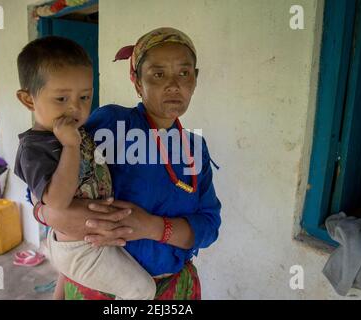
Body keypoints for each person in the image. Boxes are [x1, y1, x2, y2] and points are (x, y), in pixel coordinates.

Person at [37, 27, 222, 300]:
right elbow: (50, 183)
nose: (174, 85)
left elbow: (208, 227)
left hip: (172, 290)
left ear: (195, 79)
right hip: (100, 290)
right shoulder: (111, 124)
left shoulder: (195, 148)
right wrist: (46, 214)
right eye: (158, 74)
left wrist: (151, 227)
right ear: (136, 81)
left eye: (184, 73)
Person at [14, 36, 157, 300]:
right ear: (28, 100)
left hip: (87, 241)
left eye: (85, 96)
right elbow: (56, 201)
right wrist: (70, 147)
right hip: (80, 247)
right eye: (61, 98)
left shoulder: (78, 130)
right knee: (142, 291)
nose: (75, 108)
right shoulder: (34, 149)